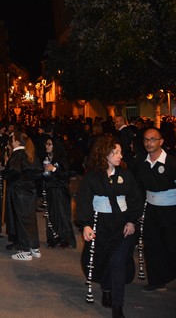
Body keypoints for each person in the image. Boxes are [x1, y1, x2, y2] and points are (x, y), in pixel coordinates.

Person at [76, 135, 143, 318]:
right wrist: (86, 225)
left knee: (118, 262)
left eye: (120, 152)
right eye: (115, 152)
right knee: (103, 260)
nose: (120, 155)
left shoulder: (126, 175)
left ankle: (117, 306)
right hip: (101, 225)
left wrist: (132, 220)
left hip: (122, 226)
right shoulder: (92, 177)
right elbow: (84, 202)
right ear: (104, 154)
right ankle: (106, 287)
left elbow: (136, 199)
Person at [132, 127, 176, 293]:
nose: (149, 143)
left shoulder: (171, 162)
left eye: (153, 139)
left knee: (171, 245)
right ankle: (157, 281)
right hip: (151, 209)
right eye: (146, 139)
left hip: (171, 210)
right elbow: (138, 188)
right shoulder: (141, 162)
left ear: (161, 142)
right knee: (152, 246)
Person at [5, 131, 43, 261]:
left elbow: (12, 172)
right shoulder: (30, 153)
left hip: (19, 191)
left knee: (21, 220)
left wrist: (7, 170)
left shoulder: (17, 154)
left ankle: (25, 251)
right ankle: (34, 248)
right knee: (30, 219)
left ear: (16, 141)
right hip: (30, 190)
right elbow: (38, 172)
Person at [40, 136, 77, 249]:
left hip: (60, 190)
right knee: (51, 215)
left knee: (62, 215)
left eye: (50, 144)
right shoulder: (47, 157)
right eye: (46, 144)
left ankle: (66, 239)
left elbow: (67, 174)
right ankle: (53, 238)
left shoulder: (61, 158)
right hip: (50, 189)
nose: (47, 146)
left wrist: (54, 169)